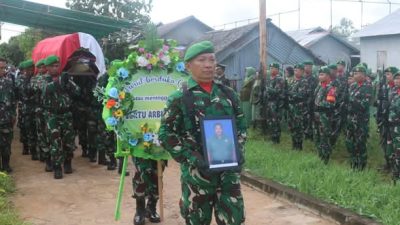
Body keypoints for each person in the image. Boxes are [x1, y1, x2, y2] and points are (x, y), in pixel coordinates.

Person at [159, 41, 246, 225]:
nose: (208, 65)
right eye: (202, 60)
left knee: (234, 220)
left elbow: (241, 126)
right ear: (188, 65)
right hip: (197, 176)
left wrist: (238, 152)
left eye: (212, 60)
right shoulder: (180, 97)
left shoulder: (228, 94)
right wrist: (192, 158)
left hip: (228, 173)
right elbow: (166, 134)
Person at [42, 55, 80, 179]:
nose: (55, 68)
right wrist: (58, 82)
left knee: (69, 141)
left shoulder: (65, 78)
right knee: (55, 142)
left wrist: (68, 83)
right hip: (52, 115)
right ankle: (57, 167)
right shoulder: (43, 79)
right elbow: (45, 90)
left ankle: (68, 163)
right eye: (52, 66)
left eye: (57, 65)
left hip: (66, 114)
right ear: (47, 67)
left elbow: (77, 91)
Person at [345, 65, 372, 170]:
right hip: (351, 118)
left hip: (361, 120)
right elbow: (348, 101)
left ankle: (361, 165)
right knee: (349, 141)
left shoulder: (368, 87)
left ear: (363, 75)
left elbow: (363, 104)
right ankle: (353, 162)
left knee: (360, 143)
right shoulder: (352, 86)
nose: (354, 75)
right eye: (354, 73)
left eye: (357, 73)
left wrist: (351, 103)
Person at [15, 59, 37, 159]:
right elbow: (23, 92)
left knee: (33, 129)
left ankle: (33, 151)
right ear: (24, 70)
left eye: (31, 69)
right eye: (28, 70)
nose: (30, 71)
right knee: (23, 128)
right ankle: (25, 147)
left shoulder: (35, 79)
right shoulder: (19, 79)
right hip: (23, 108)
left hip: (34, 109)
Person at [314, 66, 336, 164]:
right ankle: (320, 157)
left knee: (324, 138)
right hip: (317, 115)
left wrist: (319, 103)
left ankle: (325, 159)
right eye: (319, 74)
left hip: (325, 116)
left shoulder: (330, 88)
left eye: (322, 74)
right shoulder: (319, 87)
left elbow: (330, 104)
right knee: (317, 137)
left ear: (327, 76)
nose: (320, 76)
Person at [0, 57, 16, 173]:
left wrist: (14, 114)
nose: (3, 70)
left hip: (6, 118)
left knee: (6, 145)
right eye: (1, 68)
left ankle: (6, 166)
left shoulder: (9, 81)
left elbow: (13, 99)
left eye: (4, 68)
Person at [287, 63, 308, 150]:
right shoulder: (292, 81)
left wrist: (289, 93)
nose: (295, 72)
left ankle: (299, 146)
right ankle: (294, 144)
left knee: (298, 127)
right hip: (291, 107)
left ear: (302, 71)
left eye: (297, 70)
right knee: (292, 126)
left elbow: (301, 95)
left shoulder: (304, 82)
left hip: (299, 108)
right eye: (295, 70)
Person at [264, 62, 286, 143]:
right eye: (270, 68)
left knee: (275, 121)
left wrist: (268, 89)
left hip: (276, 103)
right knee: (269, 121)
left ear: (277, 70)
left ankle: (276, 139)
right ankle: (272, 137)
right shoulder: (269, 79)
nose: (271, 70)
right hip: (269, 102)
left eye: (273, 68)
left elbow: (277, 91)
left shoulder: (279, 79)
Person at [388, 71, 400, 180]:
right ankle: (395, 174)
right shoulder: (393, 91)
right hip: (392, 126)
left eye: (399, 79)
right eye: (396, 78)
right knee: (393, 150)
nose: (397, 80)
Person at [303, 61, 318, 141]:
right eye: (305, 66)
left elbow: (314, 92)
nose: (307, 68)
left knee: (311, 119)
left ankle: (310, 136)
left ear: (311, 68)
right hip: (302, 103)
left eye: (308, 66)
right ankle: (305, 134)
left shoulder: (314, 79)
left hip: (311, 103)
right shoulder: (302, 78)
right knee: (304, 119)